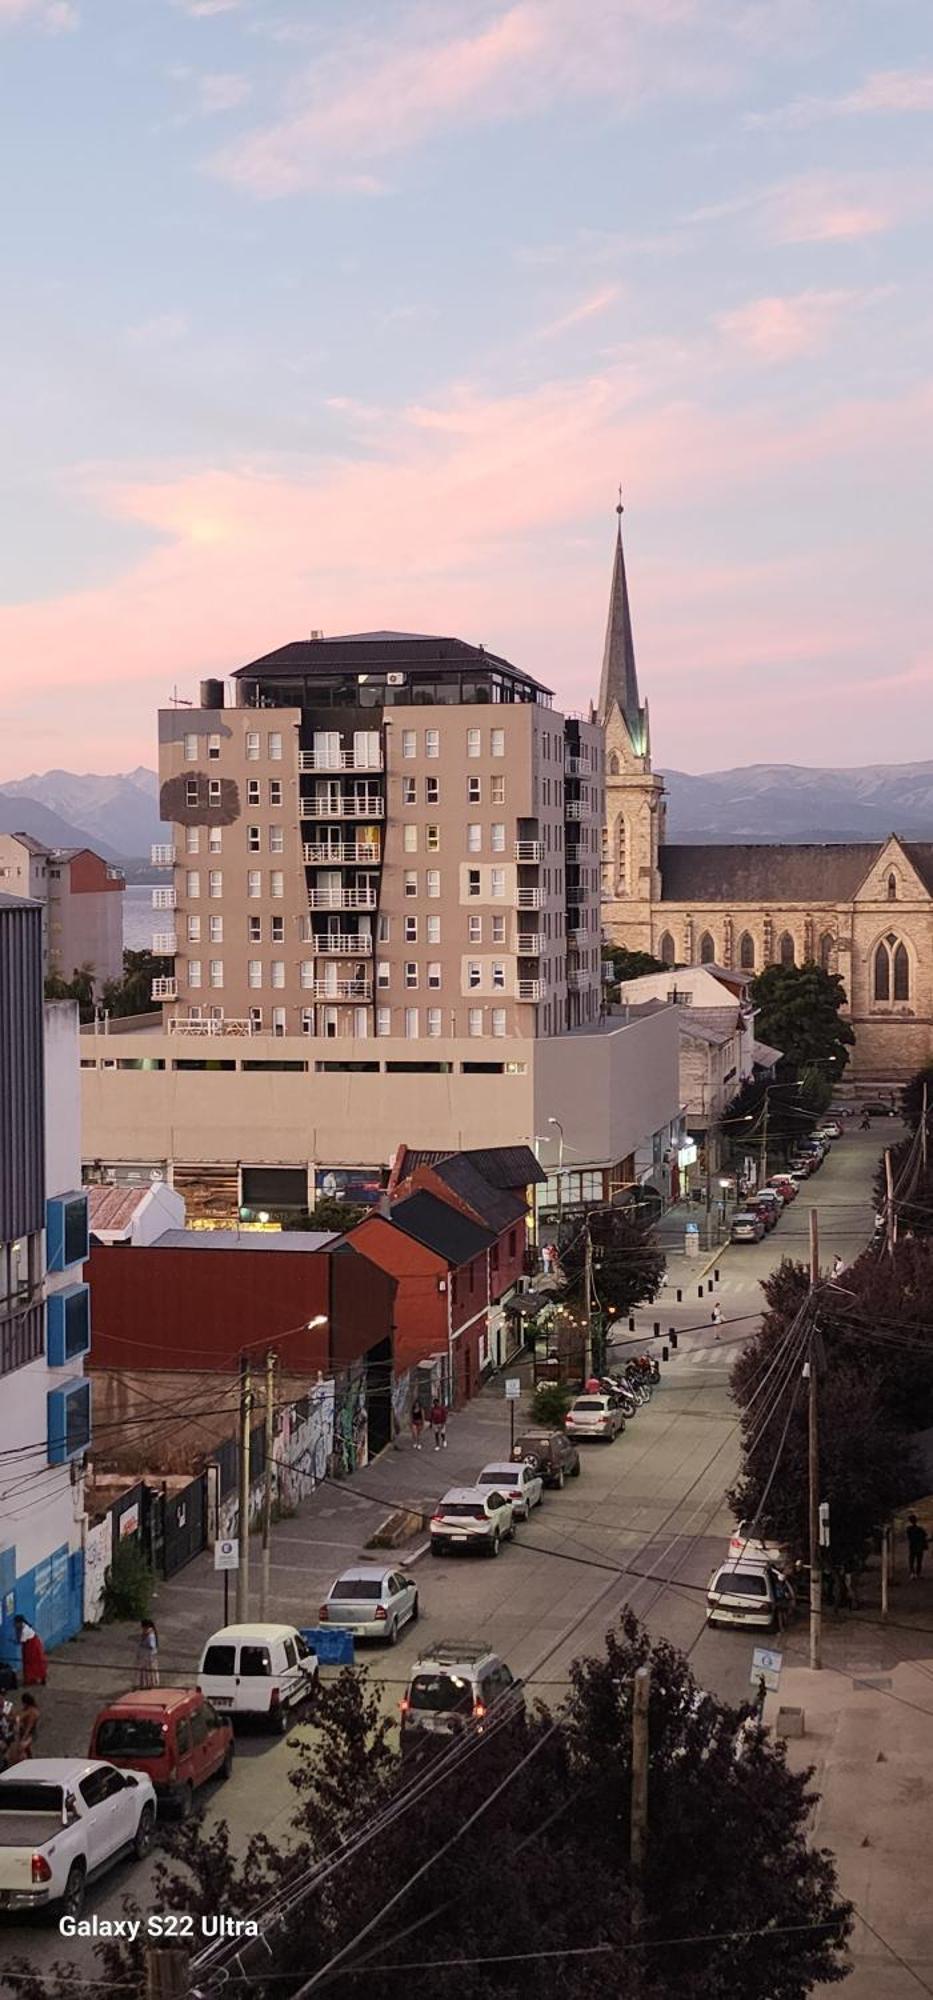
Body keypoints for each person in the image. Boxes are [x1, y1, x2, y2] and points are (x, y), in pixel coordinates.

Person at [13, 1616, 47, 1688]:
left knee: (31, 1663)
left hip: (31, 1646)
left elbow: (21, 1641)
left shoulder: (25, 1630)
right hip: (30, 1646)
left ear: (20, 1623)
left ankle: (31, 1679)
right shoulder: (22, 1628)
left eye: (16, 1623)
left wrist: (14, 1639)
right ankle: (34, 1678)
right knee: (33, 1662)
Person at [10, 1693, 39, 1762]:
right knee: (27, 1750)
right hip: (22, 1732)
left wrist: (23, 1738)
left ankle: (24, 1762)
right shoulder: (25, 1710)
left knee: (21, 1748)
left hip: (30, 1734)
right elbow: (17, 1716)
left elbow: (29, 1727)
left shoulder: (33, 1712)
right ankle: (30, 1761)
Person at [135, 1618, 160, 1688]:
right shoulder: (146, 1633)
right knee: (146, 1671)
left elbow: (152, 1646)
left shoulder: (150, 1635)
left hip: (149, 1656)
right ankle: (146, 1684)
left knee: (148, 1670)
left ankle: (149, 1684)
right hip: (146, 1656)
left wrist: (143, 1645)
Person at [907, 1514, 929, 1579]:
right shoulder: (919, 1529)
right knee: (919, 1561)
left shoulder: (909, 1529)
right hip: (919, 1547)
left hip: (913, 1546)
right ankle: (917, 1573)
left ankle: (913, 1573)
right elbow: (925, 1535)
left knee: (912, 1560)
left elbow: (910, 1538)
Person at [0, 1694, 17, 1769]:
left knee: (8, 1749)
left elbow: (14, 1718)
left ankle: (7, 1764)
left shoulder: (8, 1706)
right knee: (3, 1747)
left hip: (8, 1731)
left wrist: (6, 1716)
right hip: (1, 1732)